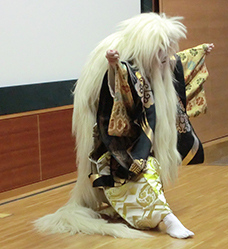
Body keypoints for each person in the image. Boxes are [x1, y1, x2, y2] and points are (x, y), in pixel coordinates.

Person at [34, 13, 214, 239]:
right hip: (115, 134)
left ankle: (148, 211)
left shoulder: (151, 57)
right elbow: (113, 92)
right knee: (131, 172)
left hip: (140, 130)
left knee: (146, 169)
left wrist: (197, 54)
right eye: (160, 51)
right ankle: (164, 218)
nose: (165, 57)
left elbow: (172, 64)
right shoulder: (119, 56)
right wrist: (114, 67)